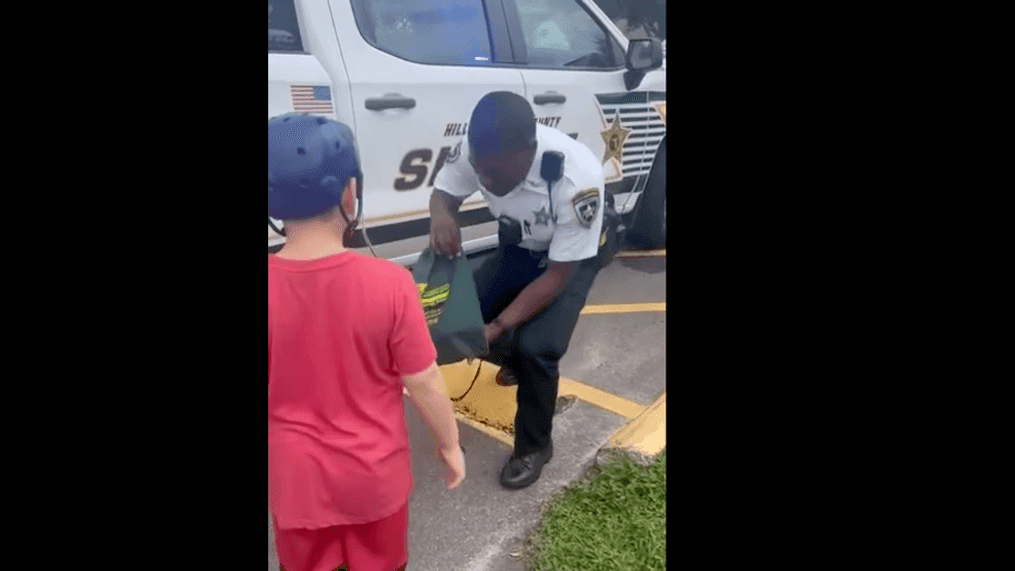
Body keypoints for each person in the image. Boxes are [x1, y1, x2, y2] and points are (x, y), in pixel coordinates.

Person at [268, 113, 465, 571]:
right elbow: (425, 381)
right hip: (373, 478)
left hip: (296, 484)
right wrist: (450, 444)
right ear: (349, 193)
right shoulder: (391, 284)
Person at [429, 91, 604, 490]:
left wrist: (500, 324)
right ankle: (511, 359)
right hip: (518, 243)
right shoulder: (479, 150)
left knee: (537, 346)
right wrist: (441, 216)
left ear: (529, 152)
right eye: (479, 170)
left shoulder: (577, 179)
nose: (485, 180)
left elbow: (557, 276)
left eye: (493, 173)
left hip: (567, 259)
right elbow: (445, 193)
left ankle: (535, 447)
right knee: (456, 317)